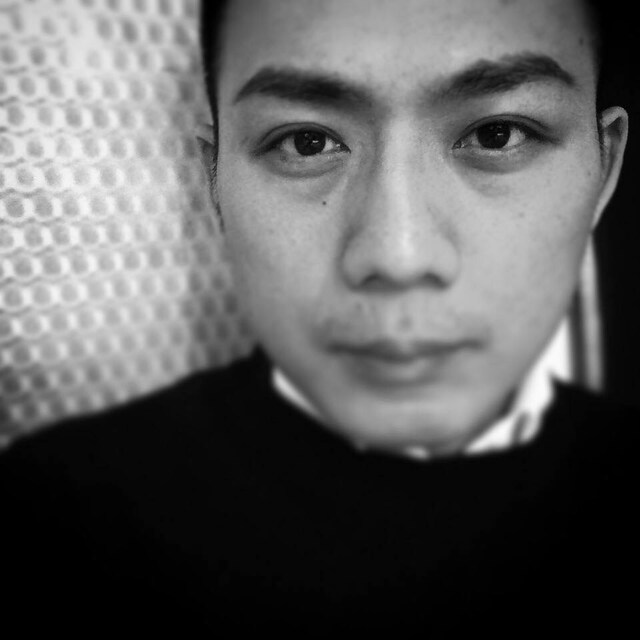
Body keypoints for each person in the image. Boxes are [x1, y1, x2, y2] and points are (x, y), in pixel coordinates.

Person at [1, 0, 638, 634]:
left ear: (604, 170)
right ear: (214, 182)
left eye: (497, 134)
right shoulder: (52, 516)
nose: (398, 255)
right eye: (306, 142)